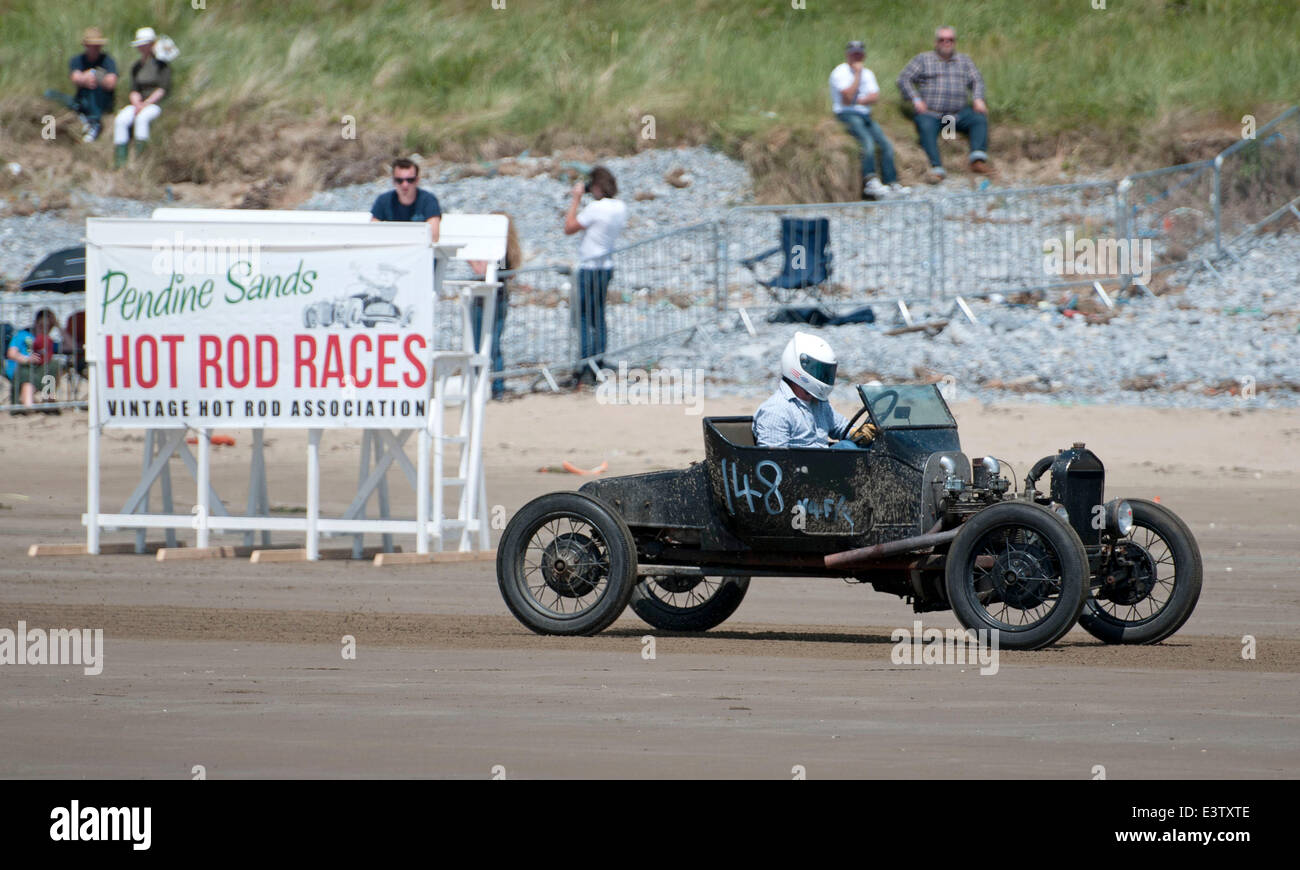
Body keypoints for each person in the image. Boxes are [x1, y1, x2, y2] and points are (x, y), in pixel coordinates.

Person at [897, 25, 992, 184]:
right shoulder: (923, 59)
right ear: (936, 42)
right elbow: (903, 79)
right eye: (942, 40)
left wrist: (977, 98)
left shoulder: (964, 61)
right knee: (925, 127)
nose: (946, 43)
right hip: (931, 113)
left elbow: (977, 81)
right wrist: (915, 98)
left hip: (956, 114)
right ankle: (937, 168)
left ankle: (977, 159)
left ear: (954, 42)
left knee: (979, 118)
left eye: (950, 40)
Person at [563, 166, 626, 384]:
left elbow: (569, 227)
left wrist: (576, 198)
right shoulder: (620, 206)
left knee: (583, 317)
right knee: (598, 316)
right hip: (606, 265)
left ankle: (584, 364)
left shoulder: (595, 207)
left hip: (590, 268)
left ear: (597, 187)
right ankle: (598, 363)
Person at [753, 332, 862, 449]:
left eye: (826, 373)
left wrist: (859, 433)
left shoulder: (819, 403)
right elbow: (774, 460)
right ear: (798, 367)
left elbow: (841, 427)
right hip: (801, 466)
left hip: (821, 463)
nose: (824, 377)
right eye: (819, 372)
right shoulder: (776, 411)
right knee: (846, 447)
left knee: (856, 446)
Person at [830, 40, 906, 200]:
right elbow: (847, 98)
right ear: (847, 55)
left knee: (885, 144)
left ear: (863, 55)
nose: (857, 56)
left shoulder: (868, 73)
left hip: (865, 114)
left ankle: (892, 182)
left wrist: (857, 100)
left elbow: (874, 97)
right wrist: (857, 75)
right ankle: (870, 180)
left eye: (859, 53)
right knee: (867, 142)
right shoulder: (840, 72)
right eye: (853, 53)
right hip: (846, 113)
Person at [469, 213, 522, 400]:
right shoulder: (510, 249)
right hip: (501, 296)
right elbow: (510, 273)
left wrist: (471, 254)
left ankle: (478, 386)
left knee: (478, 344)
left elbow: (480, 270)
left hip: (484, 298)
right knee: (494, 343)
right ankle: (498, 387)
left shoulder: (494, 248)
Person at [44, 27, 118, 143]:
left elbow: (111, 83)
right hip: (81, 99)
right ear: (86, 46)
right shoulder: (77, 60)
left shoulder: (107, 60)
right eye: (92, 45)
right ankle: (82, 115)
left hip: (101, 101)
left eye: (97, 45)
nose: (95, 48)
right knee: (49, 94)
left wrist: (95, 75)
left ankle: (94, 123)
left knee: (93, 85)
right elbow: (75, 77)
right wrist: (86, 77)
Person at [113, 27, 172, 167]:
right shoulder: (136, 67)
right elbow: (134, 89)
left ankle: (141, 160)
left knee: (142, 119)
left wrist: (146, 103)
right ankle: (120, 162)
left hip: (155, 104)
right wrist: (136, 102)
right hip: (139, 103)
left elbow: (162, 89)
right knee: (121, 120)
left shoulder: (162, 65)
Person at [5, 309, 63, 414]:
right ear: (36, 322)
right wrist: (27, 359)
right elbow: (11, 353)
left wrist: (58, 326)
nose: (45, 328)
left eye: (49, 326)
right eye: (42, 325)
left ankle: (47, 400)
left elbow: (69, 346)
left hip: (40, 370)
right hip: (22, 368)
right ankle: (30, 404)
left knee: (52, 367)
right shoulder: (23, 334)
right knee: (27, 380)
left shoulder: (48, 340)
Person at [370, 158, 442, 242]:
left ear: (417, 180)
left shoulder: (428, 201)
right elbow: (373, 234)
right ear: (393, 181)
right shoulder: (383, 201)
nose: (405, 185)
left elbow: (433, 237)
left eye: (410, 180)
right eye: (399, 180)